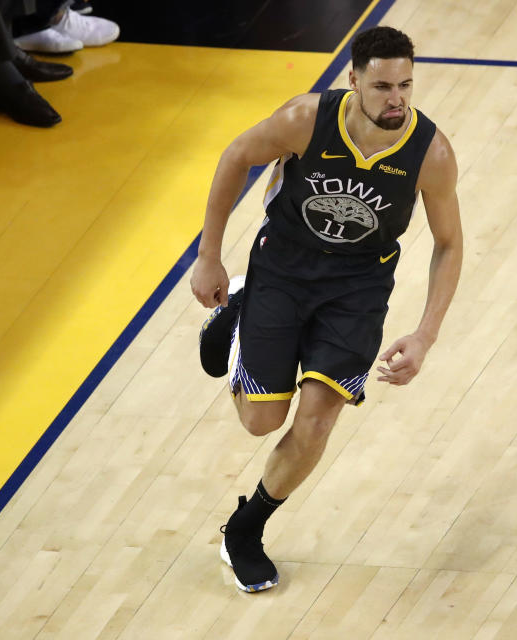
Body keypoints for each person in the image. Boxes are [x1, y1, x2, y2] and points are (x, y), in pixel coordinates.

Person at [190, 25, 463, 593]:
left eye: (406, 86)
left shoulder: (429, 153)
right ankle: (238, 311)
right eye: (384, 85)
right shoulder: (305, 120)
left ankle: (246, 529)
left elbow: (449, 242)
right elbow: (236, 155)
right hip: (283, 272)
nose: (397, 99)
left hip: (357, 293)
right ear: (354, 80)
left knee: (316, 422)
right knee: (260, 421)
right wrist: (208, 257)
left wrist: (426, 335)